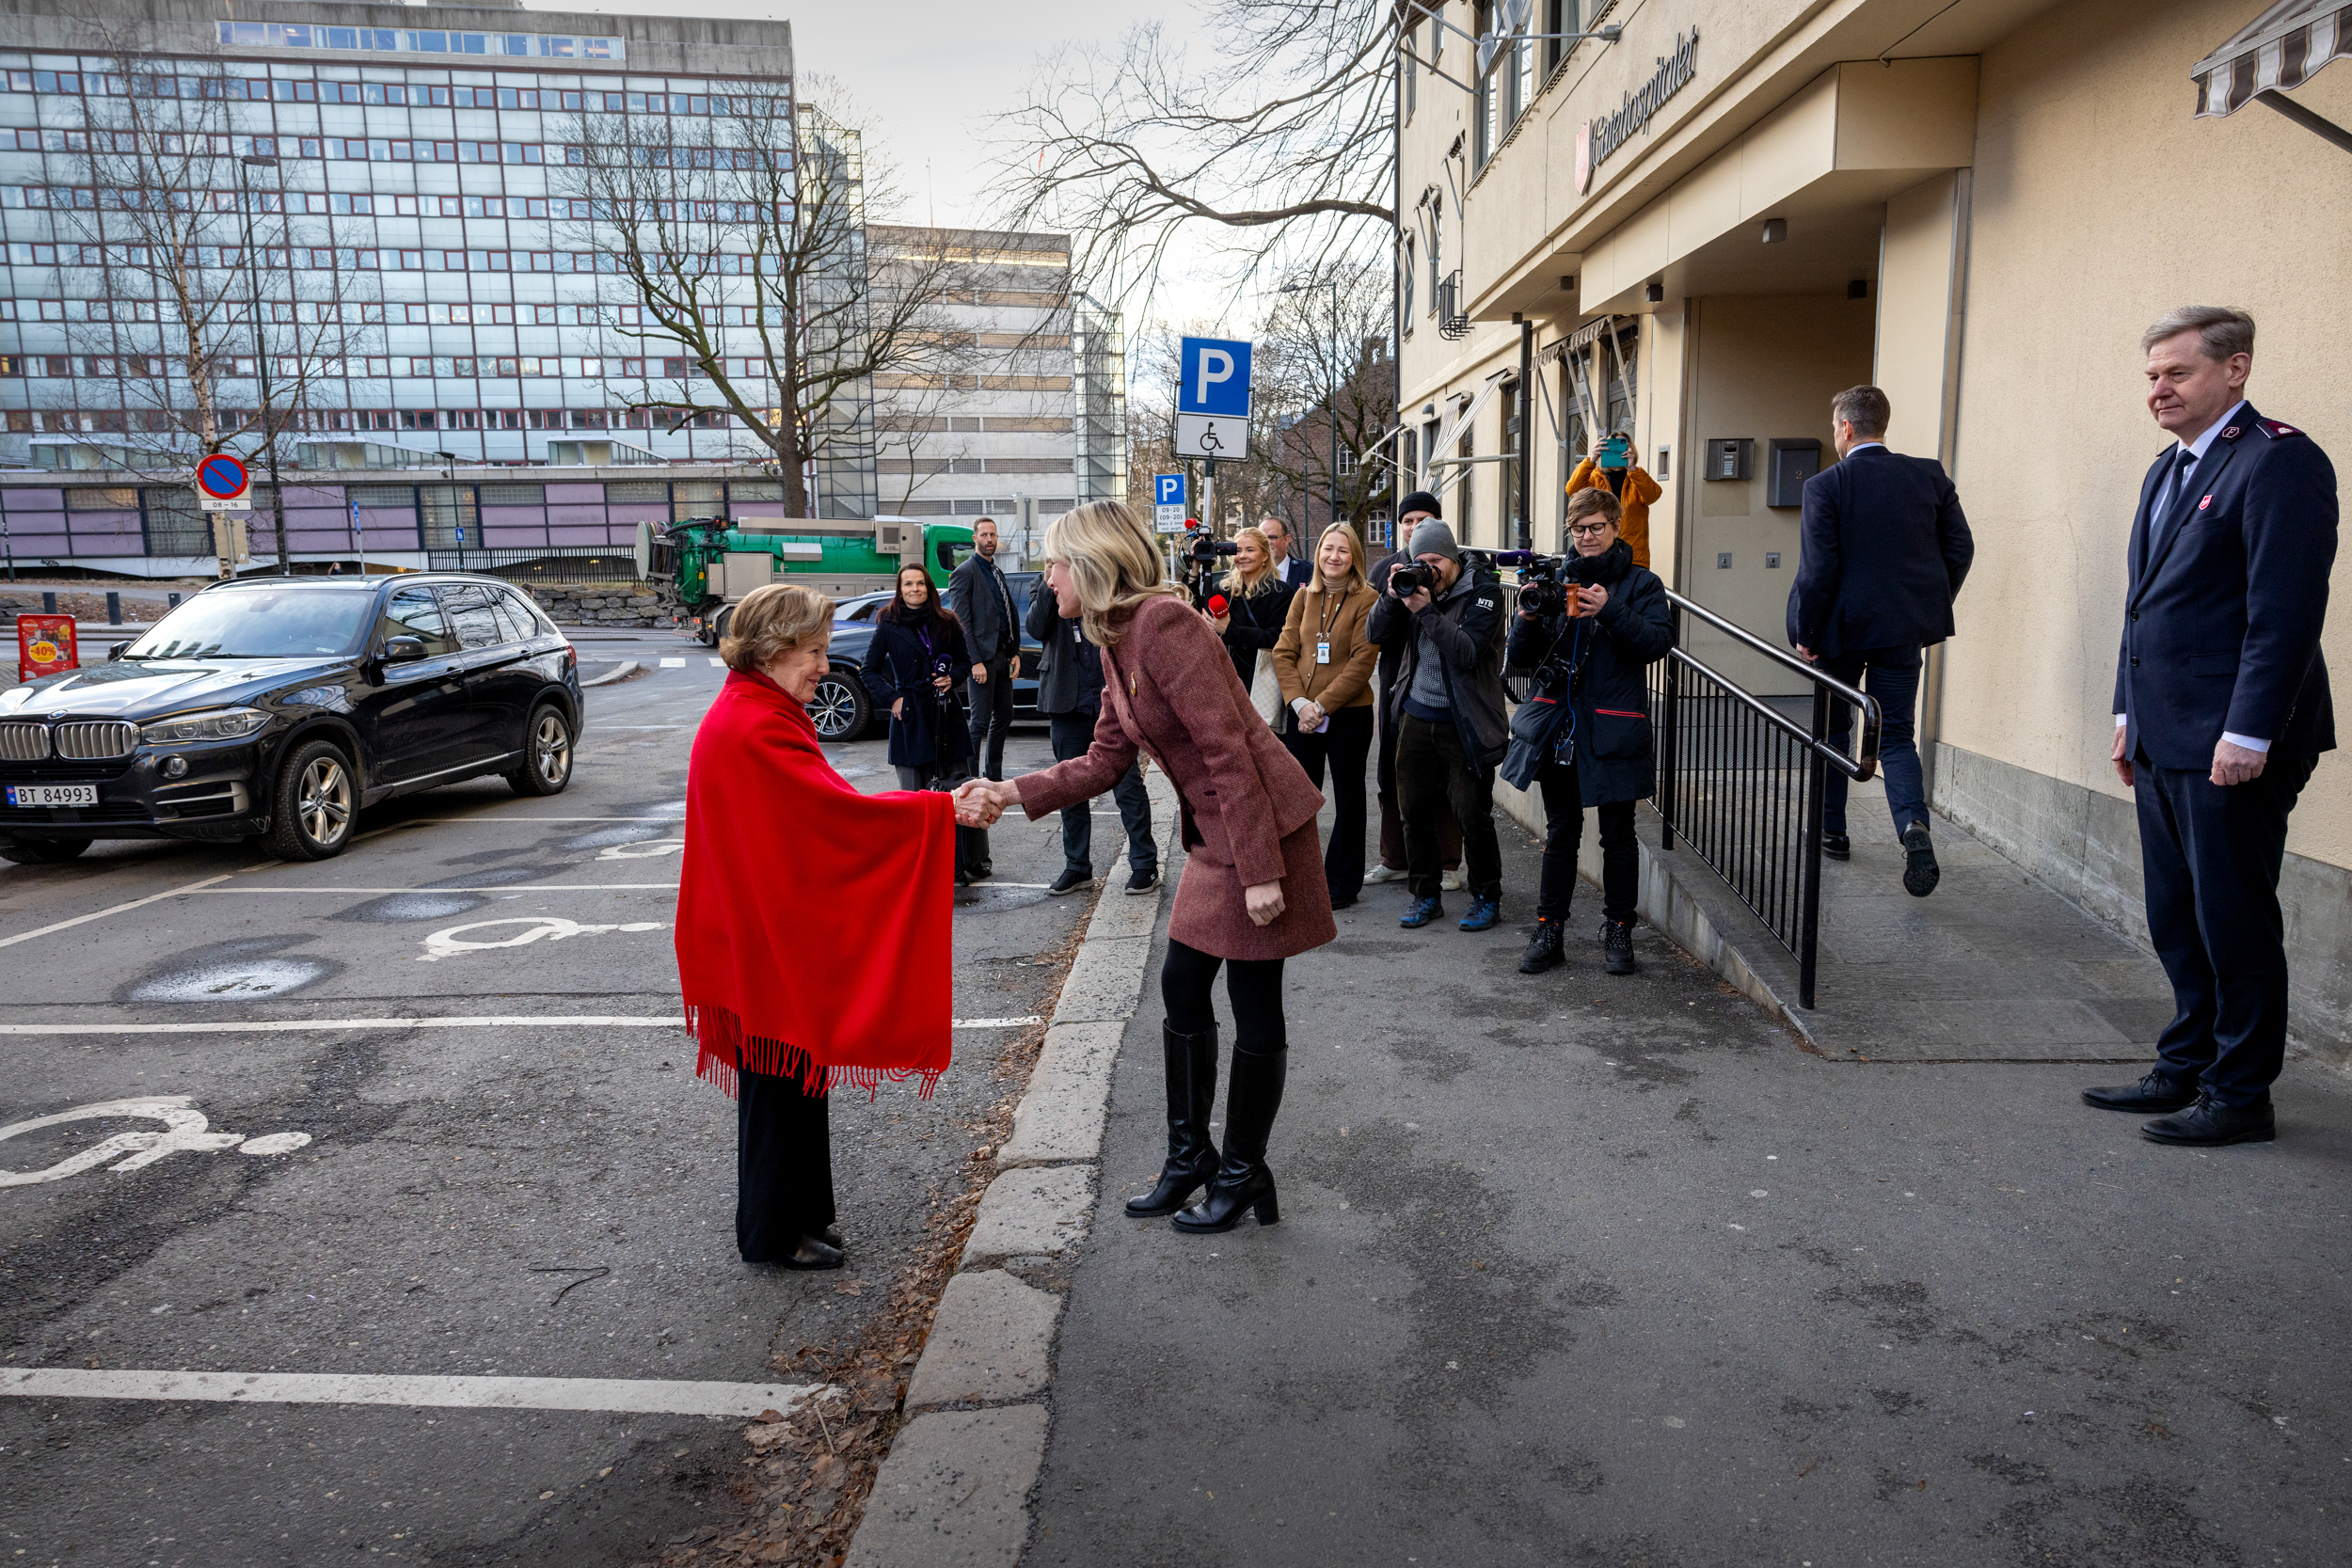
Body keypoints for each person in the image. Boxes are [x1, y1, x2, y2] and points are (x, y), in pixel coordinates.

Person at [956, 500, 1334, 1234]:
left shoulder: (1164, 625)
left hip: (1259, 829)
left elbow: (1228, 748)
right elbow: (1104, 759)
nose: (1049, 577)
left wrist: (1261, 870)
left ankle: (1244, 1169)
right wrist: (1010, 791)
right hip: (1215, 832)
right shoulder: (1112, 636)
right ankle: (1191, 1156)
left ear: (1094, 564)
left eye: (1058, 562)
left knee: (1254, 1001)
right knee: (1183, 984)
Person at [2084, 306, 2336, 1148]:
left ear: (2236, 370)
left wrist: (2250, 735)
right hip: (2162, 733)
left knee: (2233, 917)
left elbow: (2285, 617)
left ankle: (2241, 1093)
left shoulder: (2279, 463)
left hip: (2234, 739)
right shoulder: (2169, 470)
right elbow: (2143, 605)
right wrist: (2126, 710)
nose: (2158, 388)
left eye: (2177, 372)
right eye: (2152, 375)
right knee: (2176, 911)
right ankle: (2186, 1060)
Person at [675, 583, 959, 1271]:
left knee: (793, 1077)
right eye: (814, 651)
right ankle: (773, 1233)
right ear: (771, 652)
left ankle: (799, 1217)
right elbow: (836, 818)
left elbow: (812, 819)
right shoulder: (755, 723)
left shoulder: (758, 708)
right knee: (778, 1089)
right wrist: (937, 811)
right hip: (755, 937)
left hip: (753, 929)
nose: (824, 666)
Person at [1786, 385, 1975, 896]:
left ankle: (1832, 832)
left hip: (1839, 635)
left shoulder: (1826, 485)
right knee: (1895, 736)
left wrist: (1807, 632)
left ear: (1846, 428)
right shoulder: (1929, 475)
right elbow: (1960, 548)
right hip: (1901, 633)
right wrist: (1927, 603)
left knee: (1832, 728)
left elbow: (1818, 569)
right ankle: (1913, 827)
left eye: (1834, 427)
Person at [1504, 488, 1673, 974]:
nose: (1587, 536)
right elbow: (1521, 660)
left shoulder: (1642, 583)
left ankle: (1619, 929)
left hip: (1615, 729)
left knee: (1618, 836)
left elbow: (1658, 643)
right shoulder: (1557, 581)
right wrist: (1530, 617)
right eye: (1578, 529)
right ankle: (1549, 929)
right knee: (1561, 833)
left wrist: (1610, 610)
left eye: (1596, 527)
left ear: (1616, 526)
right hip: (1563, 728)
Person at [1366, 516, 1510, 932]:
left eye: (1435, 561)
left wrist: (1426, 611)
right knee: (1413, 813)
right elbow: (1373, 633)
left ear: (1452, 558)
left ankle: (1487, 897)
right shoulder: (1412, 588)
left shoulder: (1482, 591)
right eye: (1420, 560)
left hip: (1465, 721)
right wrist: (1393, 596)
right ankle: (1425, 894)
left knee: (1472, 815)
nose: (1428, 569)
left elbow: (1465, 652)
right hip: (1416, 714)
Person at [1025, 560, 1161, 897]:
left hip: (1107, 696)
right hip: (1066, 701)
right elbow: (1037, 627)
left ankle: (1144, 864)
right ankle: (1077, 868)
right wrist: (1047, 583)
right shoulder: (1044, 586)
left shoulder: (1103, 581)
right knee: (1068, 788)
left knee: (1127, 786)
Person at [1269, 522, 1381, 909]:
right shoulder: (1304, 597)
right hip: (1302, 715)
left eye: (1343, 550)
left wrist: (1322, 706)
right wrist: (1300, 704)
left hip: (1349, 715)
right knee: (1300, 798)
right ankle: (1301, 876)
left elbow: (1362, 662)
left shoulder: (1369, 598)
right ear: (1318, 554)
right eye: (1328, 549)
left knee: (1349, 798)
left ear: (1355, 558)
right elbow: (1283, 653)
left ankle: (1341, 884)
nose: (1334, 557)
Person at [1366, 491, 1463, 892]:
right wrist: (1393, 596)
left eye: (1422, 520)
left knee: (1444, 780)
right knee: (1392, 774)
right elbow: (1375, 633)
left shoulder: (1450, 571)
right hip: (1397, 681)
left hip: (1441, 687)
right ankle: (1394, 857)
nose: (1412, 527)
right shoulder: (1387, 570)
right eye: (1407, 521)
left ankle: (1448, 862)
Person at [866, 563, 985, 887]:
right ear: (900, 589)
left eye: (920, 583)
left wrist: (953, 678)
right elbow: (869, 671)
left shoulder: (947, 621)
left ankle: (969, 860)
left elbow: (963, 661)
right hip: (910, 717)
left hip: (946, 713)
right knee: (915, 794)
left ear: (929, 587)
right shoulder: (888, 623)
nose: (915, 589)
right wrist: (893, 699)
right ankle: (922, 865)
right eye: (908, 584)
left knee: (959, 788)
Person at [947, 516, 1022, 784]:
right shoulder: (965, 573)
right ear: (974, 539)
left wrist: (1015, 652)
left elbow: (1007, 614)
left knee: (1005, 715)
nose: (989, 540)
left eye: (993, 535)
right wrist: (974, 662)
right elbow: (961, 622)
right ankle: (968, 778)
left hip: (1003, 657)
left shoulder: (996, 572)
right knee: (978, 721)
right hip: (981, 659)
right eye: (984, 535)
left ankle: (994, 775)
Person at [1206, 525, 1298, 691]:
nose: (1242, 556)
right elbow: (1197, 617)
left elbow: (1278, 639)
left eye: (1249, 550)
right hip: (1227, 681)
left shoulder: (1280, 593)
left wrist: (1232, 630)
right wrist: (1196, 569)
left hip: (1263, 683)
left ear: (1264, 555)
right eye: (1238, 550)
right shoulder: (1221, 590)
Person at [1566, 433, 1664, 569]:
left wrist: (1632, 468)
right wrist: (1591, 459)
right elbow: (1572, 490)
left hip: (1633, 556)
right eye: (1611, 448)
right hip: (1599, 554)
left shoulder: (1636, 478)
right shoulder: (1594, 477)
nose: (1617, 451)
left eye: (1621, 446)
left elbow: (1653, 495)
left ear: (1630, 449)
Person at [1259, 515, 1313, 588]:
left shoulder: (1308, 571)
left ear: (1287, 540)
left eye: (1272, 537)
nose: (1267, 542)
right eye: (1262, 538)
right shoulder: (1251, 573)